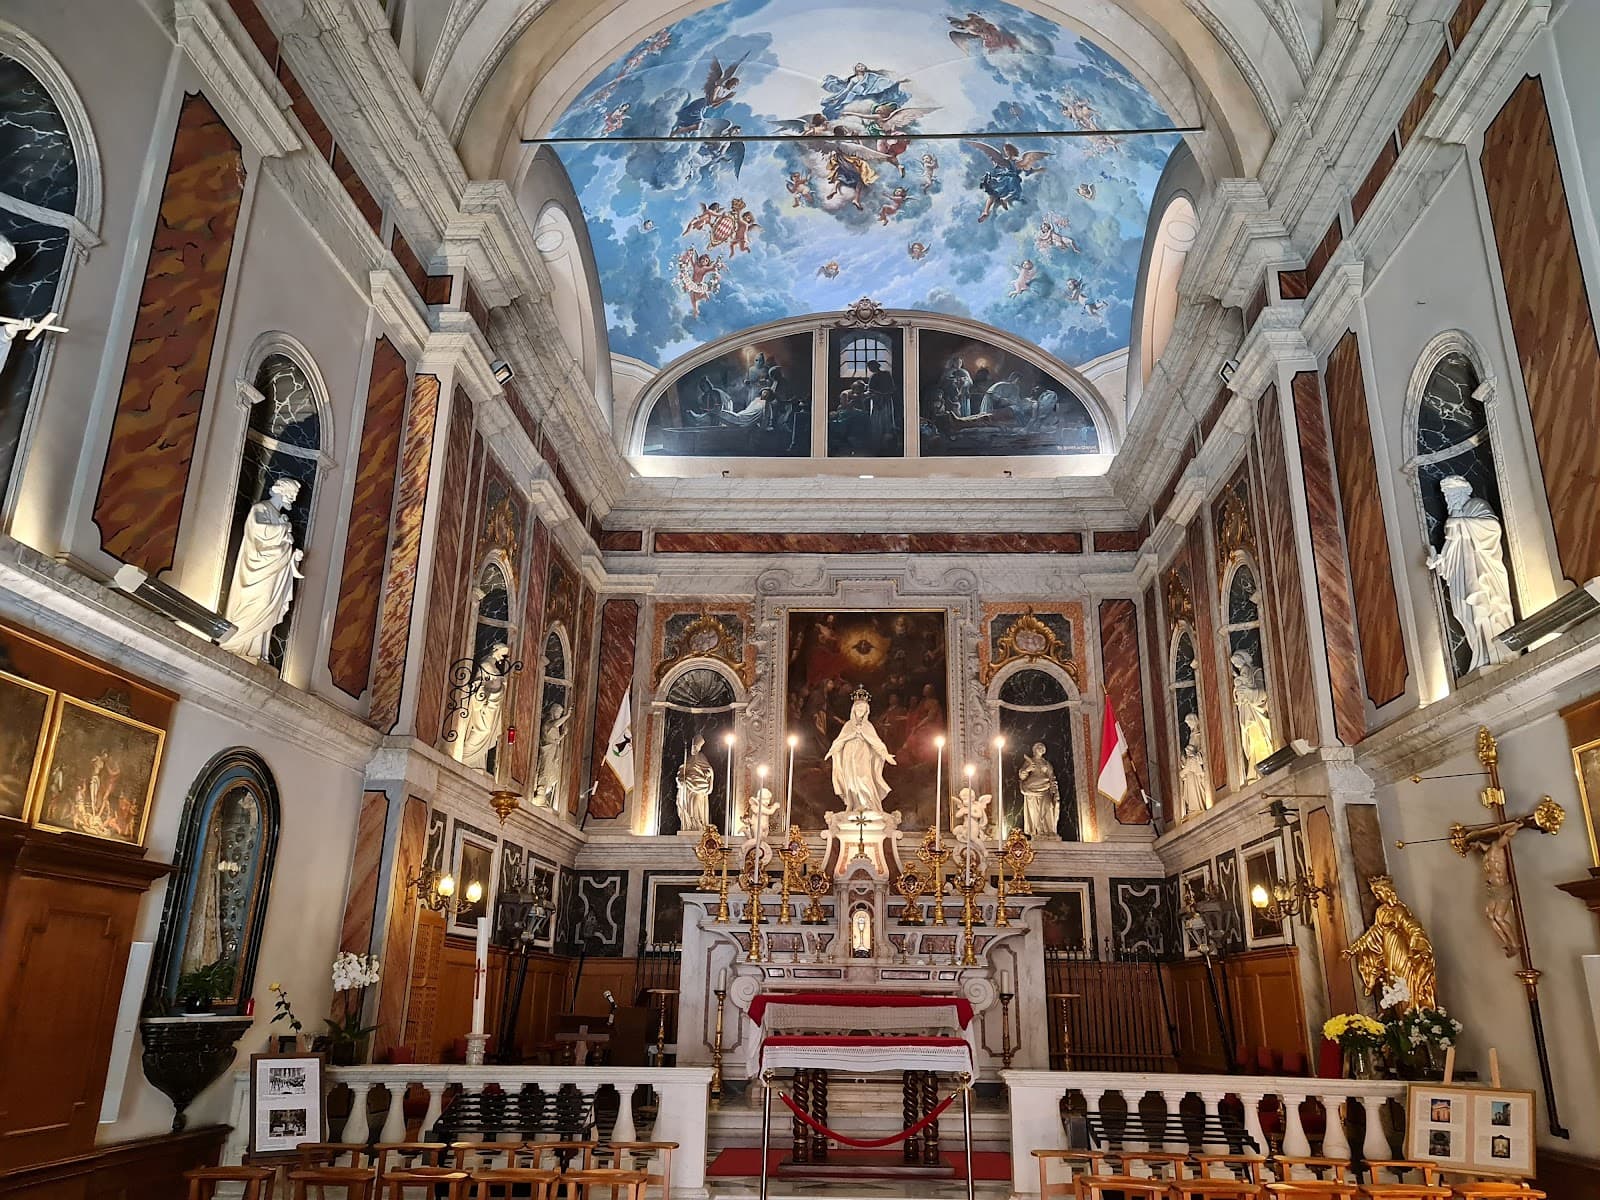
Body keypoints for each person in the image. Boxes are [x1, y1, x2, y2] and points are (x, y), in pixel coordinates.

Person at [1426, 476, 1515, 672]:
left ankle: (1497, 653)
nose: (1450, 499)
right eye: (1447, 495)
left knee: (1484, 610)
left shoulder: (1476, 505)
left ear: (1464, 491)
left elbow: (1493, 528)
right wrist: (1439, 562)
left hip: (1483, 573)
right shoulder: (1456, 515)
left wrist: (1460, 522)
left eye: (1452, 493)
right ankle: (1481, 653)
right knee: (1466, 614)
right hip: (1463, 576)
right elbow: (1452, 551)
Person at [220, 478, 304, 661]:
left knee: (268, 605)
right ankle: (236, 643)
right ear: (283, 493)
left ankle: (257, 650)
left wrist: (292, 558)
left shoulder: (281, 517)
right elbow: (259, 531)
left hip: (274, 572)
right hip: (257, 569)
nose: (293, 500)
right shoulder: (261, 508)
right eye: (292, 495)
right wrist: (284, 530)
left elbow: (282, 545)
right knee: (258, 602)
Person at [1344, 875, 1438, 1011]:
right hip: (1389, 952)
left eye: (1379, 892)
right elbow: (1373, 933)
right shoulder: (1381, 911)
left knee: (1405, 981)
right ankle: (1402, 1019)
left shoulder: (1399, 911)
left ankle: (1413, 1013)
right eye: (1375, 894)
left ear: (1387, 891)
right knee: (1392, 983)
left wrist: (1421, 946)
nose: (1377, 897)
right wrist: (1353, 949)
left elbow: (1412, 928)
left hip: (1400, 950)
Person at [825, 689, 896, 813]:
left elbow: (876, 743)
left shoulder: (868, 726)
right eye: (858, 708)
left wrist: (885, 754)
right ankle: (853, 805)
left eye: (863, 709)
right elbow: (839, 741)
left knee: (863, 778)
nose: (860, 711)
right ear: (853, 709)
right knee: (851, 781)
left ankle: (868, 804)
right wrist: (832, 751)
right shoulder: (848, 725)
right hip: (849, 755)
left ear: (866, 711)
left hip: (863, 755)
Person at [447, 643, 513, 770]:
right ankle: (466, 756)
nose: (503, 657)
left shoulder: (493, 667)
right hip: (483, 704)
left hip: (493, 704)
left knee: (487, 732)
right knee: (483, 730)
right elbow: (478, 684)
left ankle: (477, 761)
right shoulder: (486, 665)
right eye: (502, 653)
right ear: (495, 650)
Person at [1017, 742, 1061, 839]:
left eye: (1042, 747)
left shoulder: (1046, 763)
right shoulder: (1029, 762)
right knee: (1035, 812)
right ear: (1034, 749)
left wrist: (1054, 787)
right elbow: (1022, 776)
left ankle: (1049, 830)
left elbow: (1051, 776)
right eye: (1039, 747)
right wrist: (1028, 769)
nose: (1041, 748)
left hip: (1045, 788)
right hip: (1031, 790)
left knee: (1048, 808)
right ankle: (1038, 831)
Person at [675, 734, 714, 830]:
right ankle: (688, 825)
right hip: (687, 786)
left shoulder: (702, 757)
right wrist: (681, 779)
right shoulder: (687, 758)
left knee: (697, 803)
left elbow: (708, 769)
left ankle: (698, 824)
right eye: (693, 747)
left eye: (696, 747)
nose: (694, 749)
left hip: (699, 786)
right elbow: (681, 772)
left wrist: (708, 774)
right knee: (685, 805)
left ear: (699, 748)